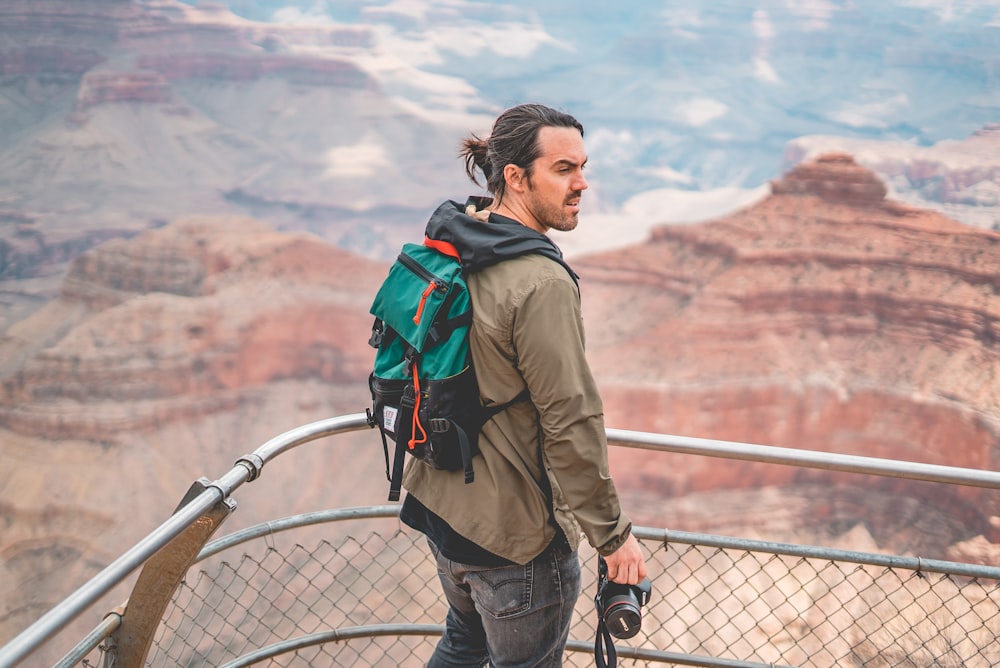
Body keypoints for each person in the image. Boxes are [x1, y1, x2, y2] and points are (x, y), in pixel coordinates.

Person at [399, 103, 647, 667]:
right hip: (515, 543)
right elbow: (570, 420)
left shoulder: (464, 235)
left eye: (583, 167)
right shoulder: (540, 281)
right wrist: (612, 537)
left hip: (445, 506)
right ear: (515, 176)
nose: (581, 183)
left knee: (463, 644)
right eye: (563, 169)